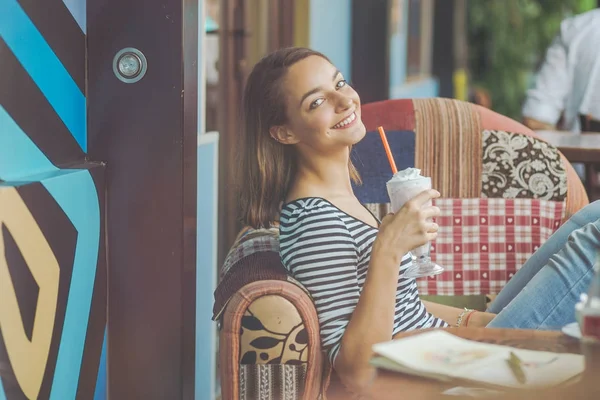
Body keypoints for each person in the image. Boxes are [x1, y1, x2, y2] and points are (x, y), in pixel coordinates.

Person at [237, 47, 600, 392]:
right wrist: (389, 250)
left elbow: (400, 309)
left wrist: (471, 320)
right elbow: (358, 371)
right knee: (595, 238)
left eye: (340, 83)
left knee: (592, 215)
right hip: (442, 380)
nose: (345, 100)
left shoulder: (340, 200)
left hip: (447, 348)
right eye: (317, 102)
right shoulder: (315, 222)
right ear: (284, 132)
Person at [522, 9, 600, 133]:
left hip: (577, 149)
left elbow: (536, 119)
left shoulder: (576, 29)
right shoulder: (575, 29)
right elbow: (535, 120)